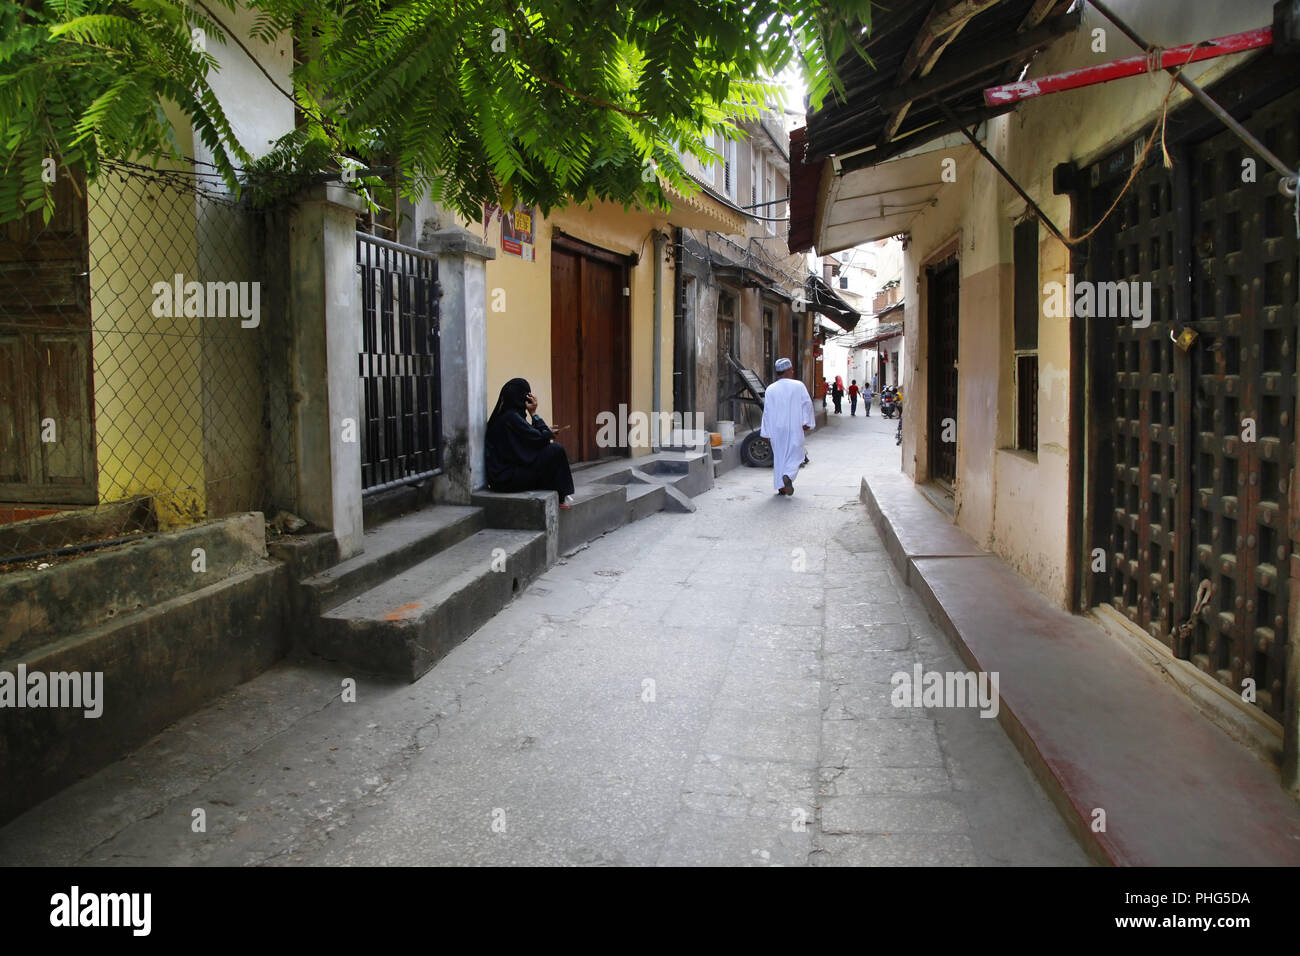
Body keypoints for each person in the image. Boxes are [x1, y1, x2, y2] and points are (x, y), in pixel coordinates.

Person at [484, 378, 576, 508]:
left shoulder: (504, 417)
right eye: (527, 394)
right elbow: (541, 440)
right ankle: (562, 497)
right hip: (508, 480)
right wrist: (534, 414)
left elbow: (534, 436)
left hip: (500, 479)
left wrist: (544, 432)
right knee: (556, 450)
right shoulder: (512, 418)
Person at [761, 357, 815, 497]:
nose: (793, 371)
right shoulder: (798, 385)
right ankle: (788, 476)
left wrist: (765, 432)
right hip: (794, 427)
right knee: (797, 454)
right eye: (791, 369)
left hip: (776, 429)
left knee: (780, 457)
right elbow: (807, 404)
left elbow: (766, 412)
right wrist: (807, 422)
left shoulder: (770, 389)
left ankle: (781, 487)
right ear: (787, 370)